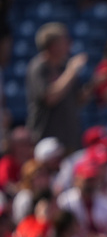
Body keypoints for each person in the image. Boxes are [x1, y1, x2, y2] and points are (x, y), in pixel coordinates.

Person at [25, 22, 90, 152]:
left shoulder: (64, 66)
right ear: (52, 45)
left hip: (69, 139)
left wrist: (94, 85)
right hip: (45, 139)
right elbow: (50, 98)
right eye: (64, 40)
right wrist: (71, 71)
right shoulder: (39, 67)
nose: (69, 44)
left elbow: (79, 100)